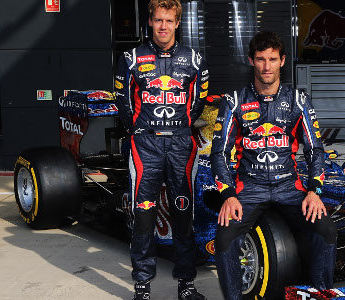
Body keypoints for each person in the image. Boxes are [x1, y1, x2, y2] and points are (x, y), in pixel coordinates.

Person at [210, 31, 336, 299]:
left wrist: (315, 191)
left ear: (282, 61)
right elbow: (219, 153)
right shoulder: (234, 101)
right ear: (251, 61)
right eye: (260, 59)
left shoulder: (298, 100)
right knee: (223, 238)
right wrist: (228, 195)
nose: (266, 66)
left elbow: (315, 149)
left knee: (325, 229)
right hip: (249, 187)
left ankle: (319, 294)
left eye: (272, 59)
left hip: (289, 186)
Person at [114, 0, 209, 299]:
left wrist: (181, 126)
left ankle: (186, 284)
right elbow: (123, 102)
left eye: (169, 20)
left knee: (184, 213)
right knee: (144, 216)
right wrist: (140, 130)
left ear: (178, 23)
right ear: (150, 23)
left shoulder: (194, 60)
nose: (163, 26)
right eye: (158, 20)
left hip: (182, 143)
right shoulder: (131, 58)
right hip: (146, 143)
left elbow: (198, 104)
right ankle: (142, 287)